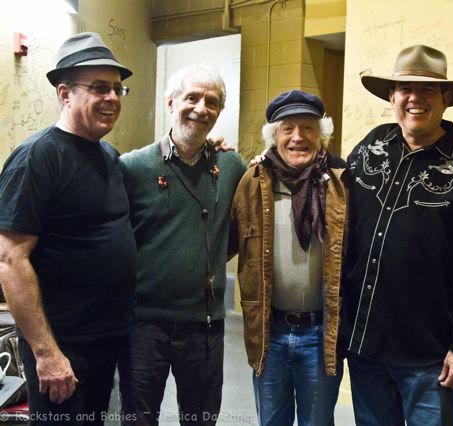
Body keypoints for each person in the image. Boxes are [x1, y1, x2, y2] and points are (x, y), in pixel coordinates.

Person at [342, 44, 453, 425]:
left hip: (431, 358)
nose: (414, 98)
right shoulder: (371, 146)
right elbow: (336, 208)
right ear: (392, 97)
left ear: (446, 99)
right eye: (405, 89)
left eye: (427, 90)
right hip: (364, 349)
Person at [0, 32, 136, 424]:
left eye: (117, 89)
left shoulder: (108, 156)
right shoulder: (38, 157)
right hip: (63, 347)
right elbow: (10, 260)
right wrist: (46, 353)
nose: (112, 98)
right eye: (99, 88)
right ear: (65, 93)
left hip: (105, 341)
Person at [117, 65, 246, 425]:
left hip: (205, 326)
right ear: (171, 103)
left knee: (201, 419)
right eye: (192, 98)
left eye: (212, 102)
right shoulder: (133, 168)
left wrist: (208, 258)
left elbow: (240, 231)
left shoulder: (232, 166)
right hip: (144, 325)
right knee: (138, 419)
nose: (201, 108)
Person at [229, 90, 347, 425]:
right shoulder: (253, 182)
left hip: (320, 335)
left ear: (320, 135)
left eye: (308, 127)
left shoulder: (341, 184)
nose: (298, 137)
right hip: (270, 334)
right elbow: (226, 241)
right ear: (274, 136)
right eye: (287, 129)